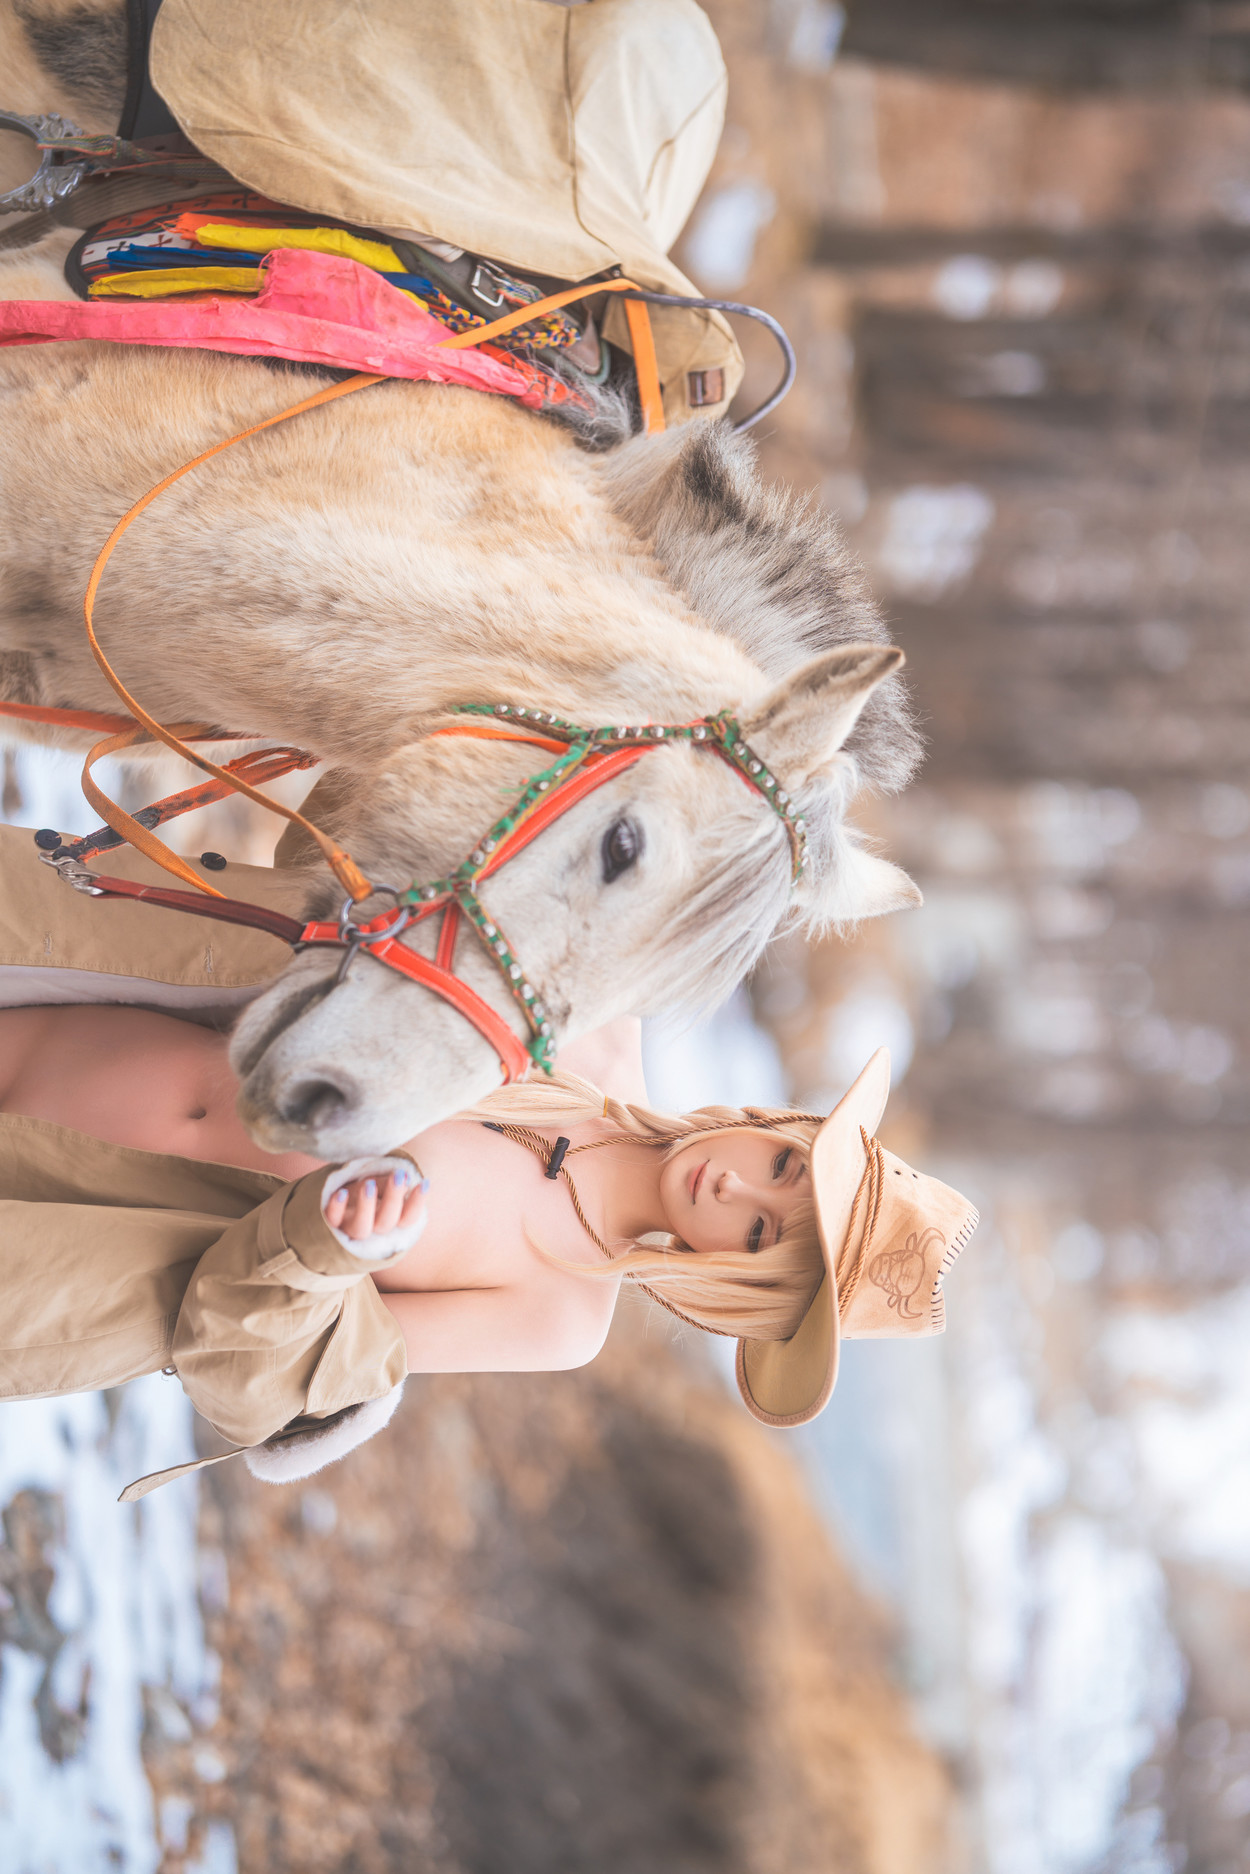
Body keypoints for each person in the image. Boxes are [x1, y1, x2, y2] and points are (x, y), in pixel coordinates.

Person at [0, 827, 978, 1495]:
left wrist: (329, 1247)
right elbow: (383, 847)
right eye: (779, 1163)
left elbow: (263, 1374)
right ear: (779, 1122)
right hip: (60, 990)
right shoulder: (593, 1020)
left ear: (735, 1284)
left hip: (59, 1223)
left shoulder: (556, 1314)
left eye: (759, 1229)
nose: (732, 1182)